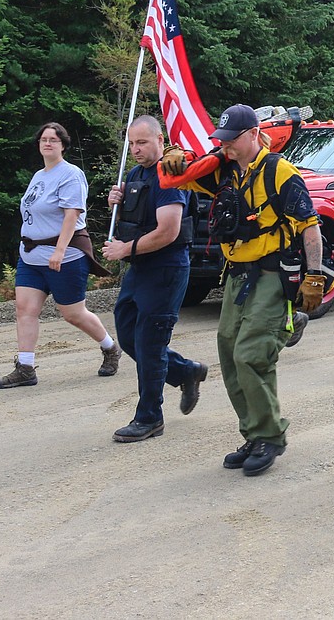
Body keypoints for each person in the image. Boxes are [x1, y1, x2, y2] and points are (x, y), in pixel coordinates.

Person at [158, 103, 324, 477]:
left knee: (252, 353)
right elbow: (181, 175)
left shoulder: (280, 172)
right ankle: (253, 433)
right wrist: (173, 154)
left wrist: (315, 275)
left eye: (232, 140)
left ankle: (271, 436)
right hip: (235, 275)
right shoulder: (225, 170)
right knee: (230, 352)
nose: (225, 146)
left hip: (270, 274)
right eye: (222, 140)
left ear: (252, 135)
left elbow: (308, 225)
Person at [100, 115, 209, 442]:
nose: (135, 149)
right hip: (140, 268)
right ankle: (185, 371)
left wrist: (124, 250)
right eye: (132, 143)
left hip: (165, 267)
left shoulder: (169, 177)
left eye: (142, 142)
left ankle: (150, 417)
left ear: (160, 141)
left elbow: (169, 231)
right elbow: (137, 220)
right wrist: (114, 204)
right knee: (130, 336)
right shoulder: (135, 174)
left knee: (150, 341)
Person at [0, 122, 119, 389]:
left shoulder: (70, 175)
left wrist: (60, 251)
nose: (48, 143)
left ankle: (110, 347)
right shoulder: (39, 175)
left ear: (63, 144)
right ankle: (26, 368)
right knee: (25, 310)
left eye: (53, 139)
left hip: (65, 256)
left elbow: (71, 214)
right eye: (43, 139)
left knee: (73, 314)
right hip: (31, 256)